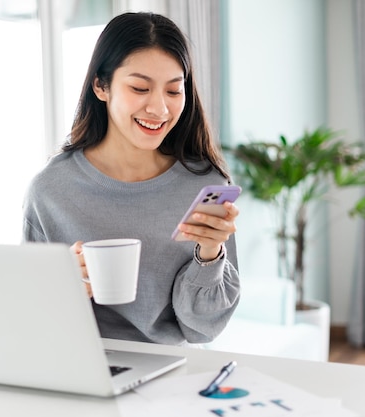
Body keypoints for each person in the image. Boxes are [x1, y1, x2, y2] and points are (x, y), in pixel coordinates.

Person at [23, 12, 240, 346]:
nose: (160, 109)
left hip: (171, 373)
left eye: (173, 91)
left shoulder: (203, 187)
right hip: (81, 367)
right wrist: (61, 285)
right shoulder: (51, 191)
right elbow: (32, 322)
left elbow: (202, 329)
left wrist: (209, 254)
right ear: (101, 85)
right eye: (140, 88)